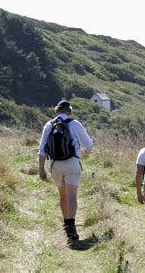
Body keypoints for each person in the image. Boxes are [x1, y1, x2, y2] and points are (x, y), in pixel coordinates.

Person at [38, 100, 94, 240]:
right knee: (71, 195)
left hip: (55, 164)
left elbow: (42, 150)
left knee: (62, 195)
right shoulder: (75, 124)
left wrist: (41, 169)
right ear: (69, 111)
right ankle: (71, 227)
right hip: (72, 163)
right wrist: (86, 150)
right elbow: (88, 144)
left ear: (56, 110)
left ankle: (66, 224)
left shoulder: (49, 125)